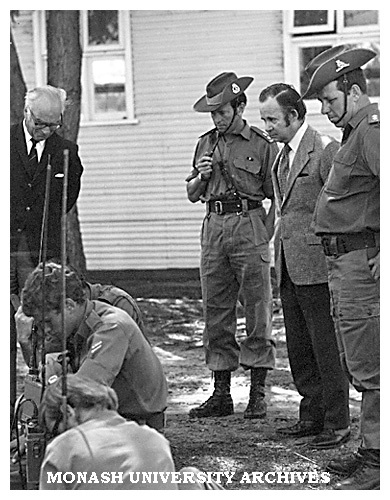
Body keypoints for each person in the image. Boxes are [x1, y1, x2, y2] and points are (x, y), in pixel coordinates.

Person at [304, 46, 379, 490]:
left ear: (353, 90)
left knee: (371, 364)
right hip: (343, 263)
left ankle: (377, 459)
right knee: (359, 360)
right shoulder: (354, 134)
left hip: (361, 265)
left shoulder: (371, 130)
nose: (326, 110)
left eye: (330, 100)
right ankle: (372, 449)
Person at [259, 83, 350, 449]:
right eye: (264, 119)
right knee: (299, 345)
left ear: (294, 116)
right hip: (288, 262)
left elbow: (343, 201)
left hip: (317, 264)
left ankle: (337, 422)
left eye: (272, 119)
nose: (266, 126)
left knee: (325, 345)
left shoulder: (325, 149)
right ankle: (311, 414)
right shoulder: (281, 155)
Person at [186, 72, 278, 419]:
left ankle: (257, 392)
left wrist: (263, 233)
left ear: (240, 106)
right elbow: (192, 194)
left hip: (249, 224)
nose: (217, 118)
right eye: (213, 113)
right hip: (214, 227)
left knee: (258, 308)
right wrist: (202, 176)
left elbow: (278, 197)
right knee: (216, 309)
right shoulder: (205, 143)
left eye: (222, 111)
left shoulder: (260, 144)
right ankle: (221, 393)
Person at [21, 262, 168, 431]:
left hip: (135, 428)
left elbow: (80, 394)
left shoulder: (112, 327)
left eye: (48, 321)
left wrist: (53, 381)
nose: (46, 330)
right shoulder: (84, 321)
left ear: (68, 305)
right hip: (112, 419)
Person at [10, 85, 84, 410]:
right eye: (40, 123)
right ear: (27, 113)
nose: (45, 131)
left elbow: (67, 200)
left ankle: (40, 402)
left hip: (41, 250)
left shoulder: (66, 151)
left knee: (40, 322)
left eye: (53, 125)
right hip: (7, 244)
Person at [39, 375, 223, 490]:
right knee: (190, 476)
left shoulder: (64, 448)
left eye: (58, 430)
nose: (58, 437)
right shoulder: (156, 440)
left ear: (67, 411)